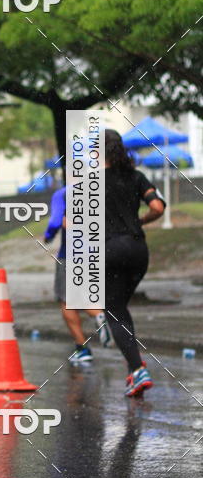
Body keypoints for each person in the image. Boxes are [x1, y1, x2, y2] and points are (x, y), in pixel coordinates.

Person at [103, 129, 165, 397]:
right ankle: (134, 370)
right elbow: (158, 207)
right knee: (120, 309)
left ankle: (138, 369)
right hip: (138, 250)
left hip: (110, 249)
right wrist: (138, 221)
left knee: (114, 311)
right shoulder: (136, 176)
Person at [45, 185, 111, 363]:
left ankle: (82, 348)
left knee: (66, 301)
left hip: (70, 256)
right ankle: (99, 315)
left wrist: (48, 235)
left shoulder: (62, 194)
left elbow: (54, 222)